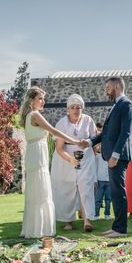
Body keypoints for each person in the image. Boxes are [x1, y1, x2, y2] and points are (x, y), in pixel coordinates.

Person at [19, 87, 86, 238]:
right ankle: (40, 229)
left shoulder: (29, 116)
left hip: (33, 151)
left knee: (35, 190)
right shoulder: (35, 115)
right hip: (37, 152)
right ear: (32, 101)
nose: (43, 102)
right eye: (40, 98)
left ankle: (34, 228)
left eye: (43, 99)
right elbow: (54, 131)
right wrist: (74, 140)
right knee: (40, 190)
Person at [87, 77, 132, 238]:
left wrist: (115, 155)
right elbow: (106, 133)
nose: (106, 90)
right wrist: (88, 142)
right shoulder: (115, 106)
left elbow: (125, 133)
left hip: (118, 157)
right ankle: (116, 227)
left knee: (118, 191)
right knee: (115, 192)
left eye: (108, 87)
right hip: (112, 156)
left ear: (117, 86)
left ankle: (121, 229)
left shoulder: (127, 104)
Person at [50, 94, 97, 232]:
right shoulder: (62, 123)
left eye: (78, 107)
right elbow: (59, 148)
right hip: (66, 158)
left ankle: (87, 220)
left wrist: (96, 148)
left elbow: (94, 139)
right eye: (73, 108)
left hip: (86, 157)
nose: (76, 110)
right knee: (67, 188)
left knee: (85, 186)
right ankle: (68, 220)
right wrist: (70, 159)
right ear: (68, 109)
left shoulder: (88, 120)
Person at [93, 122, 112, 220]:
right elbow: (95, 169)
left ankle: (107, 214)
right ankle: (96, 215)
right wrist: (95, 181)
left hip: (109, 180)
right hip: (100, 180)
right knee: (98, 199)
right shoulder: (97, 157)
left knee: (108, 199)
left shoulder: (110, 157)